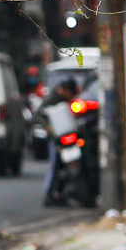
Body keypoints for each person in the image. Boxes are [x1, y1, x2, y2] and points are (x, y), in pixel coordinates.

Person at [39, 76, 80, 207]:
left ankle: (59, 193)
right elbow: (39, 114)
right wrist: (47, 126)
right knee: (54, 165)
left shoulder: (66, 100)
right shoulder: (52, 99)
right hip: (56, 137)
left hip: (66, 135)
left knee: (61, 166)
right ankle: (49, 194)